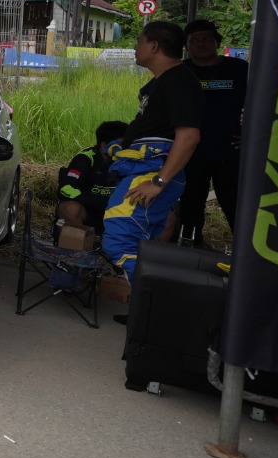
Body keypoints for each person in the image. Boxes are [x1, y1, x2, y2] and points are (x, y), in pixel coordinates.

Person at [102, 21, 202, 301]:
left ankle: (161, 307)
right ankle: (150, 318)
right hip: (141, 168)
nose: (135, 47)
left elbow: (189, 137)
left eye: (139, 41)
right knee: (146, 245)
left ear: (154, 46)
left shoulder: (180, 81)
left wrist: (159, 182)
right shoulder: (161, 83)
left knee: (119, 240)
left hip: (151, 173)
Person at [175, 19, 247, 248]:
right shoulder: (181, 71)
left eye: (207, 39)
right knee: (191, 204)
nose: (201, 44)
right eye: (194, 40)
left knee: (235, 204)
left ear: (217, 42)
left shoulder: (238, 69)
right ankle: (190, 248)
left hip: (230, 151)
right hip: (191, 152)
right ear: (186, 45)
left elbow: (263, 103)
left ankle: (246, 252)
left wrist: (252, 134)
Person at [57, 120, 129, 230]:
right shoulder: (84, 159)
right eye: (121, 145)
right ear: (104, 145)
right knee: (70, 208)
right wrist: (100, 202)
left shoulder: (130, 161)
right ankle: (78, 242)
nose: (126, 149)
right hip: (89, 212)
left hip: (118, 213)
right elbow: (66, 189)